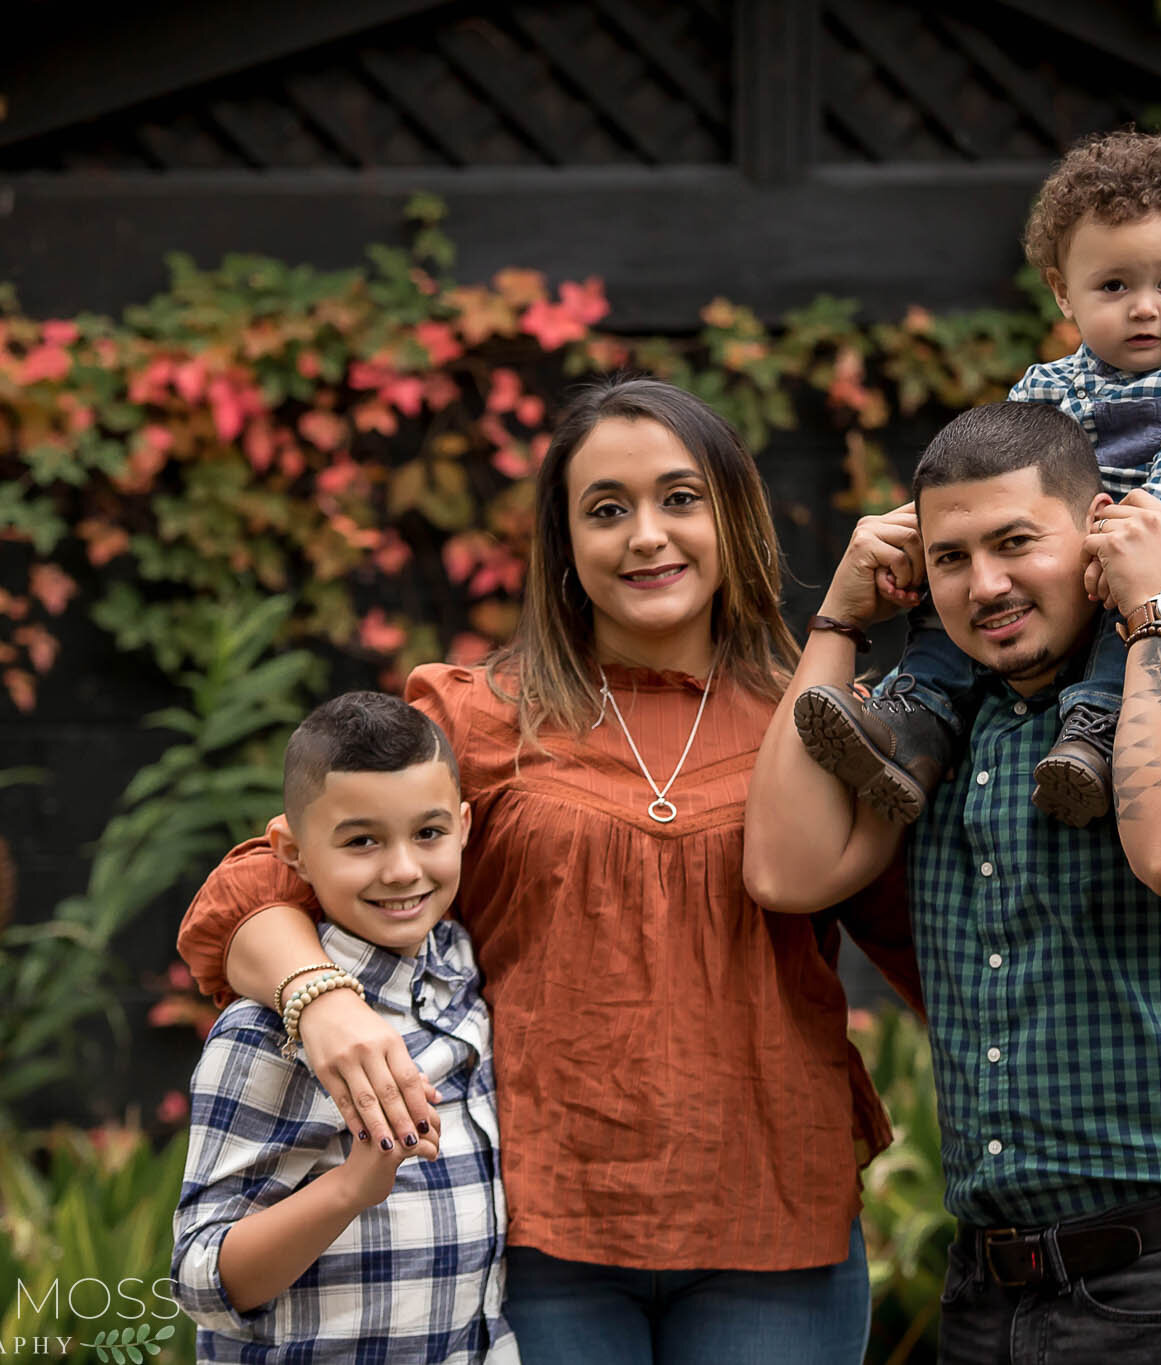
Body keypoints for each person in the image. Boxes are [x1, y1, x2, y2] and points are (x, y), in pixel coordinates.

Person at [174, 377, 926, 1365]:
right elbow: (248, 889)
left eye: (679, 499)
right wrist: (323, 997)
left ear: (732, 518)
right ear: (564, 545)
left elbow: (945, 948)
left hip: (773, 1222)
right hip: (538, 1231)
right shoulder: (477, 718)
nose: (645, 535)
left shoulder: (818, 717)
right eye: (605, 510)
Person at [745, 401, 1161, 1363]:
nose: (985, 585)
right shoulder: (952, 727)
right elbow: (785, 868)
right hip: (986, 1296)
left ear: (1096, 536)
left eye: (1015, 543)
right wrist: (839, 616)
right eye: (952, 557)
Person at [794, 129, 1161, 828]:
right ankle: (917, 719)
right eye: (1113, 285)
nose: (1143, 306)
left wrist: (1114, 553)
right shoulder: (1045, 385)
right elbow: (991, 487)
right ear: (1063, 293)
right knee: (965, 585)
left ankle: (1095, 734)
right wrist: (935, 546)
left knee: (1117, 611)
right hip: (1078, 551)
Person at [172, 690, 513, 1364]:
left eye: (429, 832)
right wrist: (351, 1187)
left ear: (466, 825)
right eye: (362, 840)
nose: (402, 869)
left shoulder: (462, 973)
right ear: (290, 850)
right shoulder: (264, 1030)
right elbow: (201, 1278)